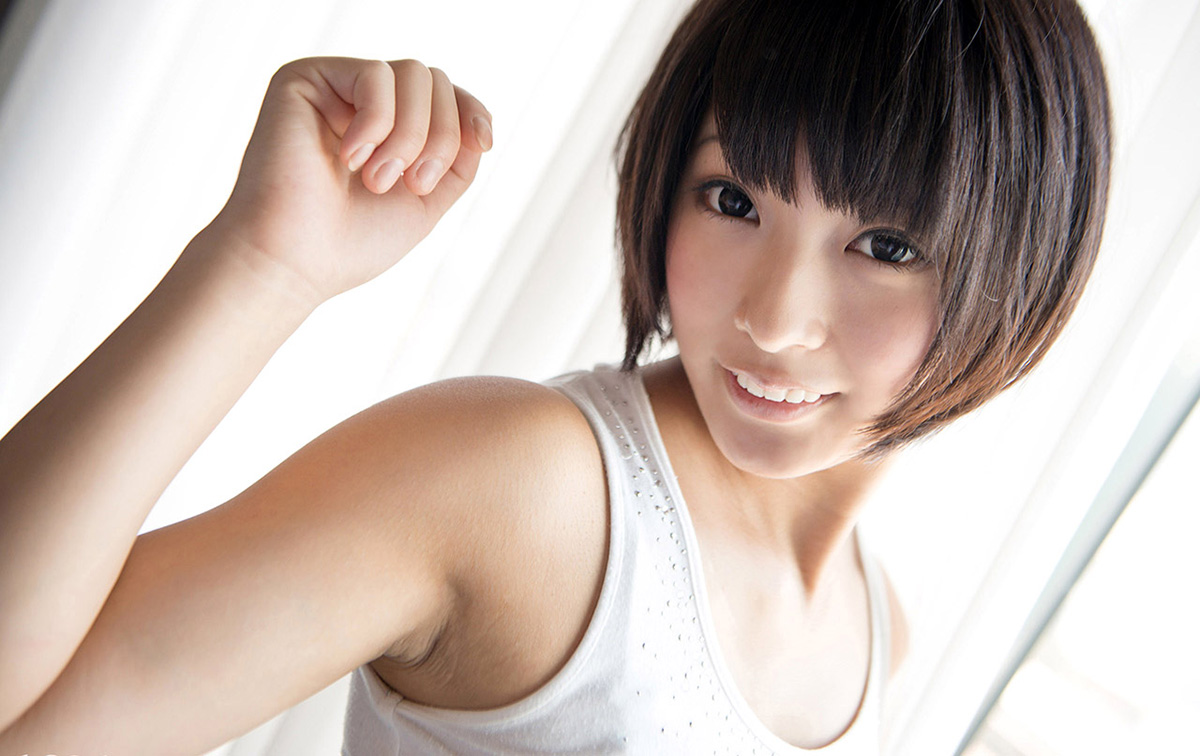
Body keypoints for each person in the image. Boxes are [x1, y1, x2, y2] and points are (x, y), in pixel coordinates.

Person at [0, 0, 1111, 752]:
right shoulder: (525, 487)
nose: (774, 321)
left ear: (1028, 269)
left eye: (886, 246)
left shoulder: (875, 638)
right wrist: (263, 266)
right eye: (733, 200)